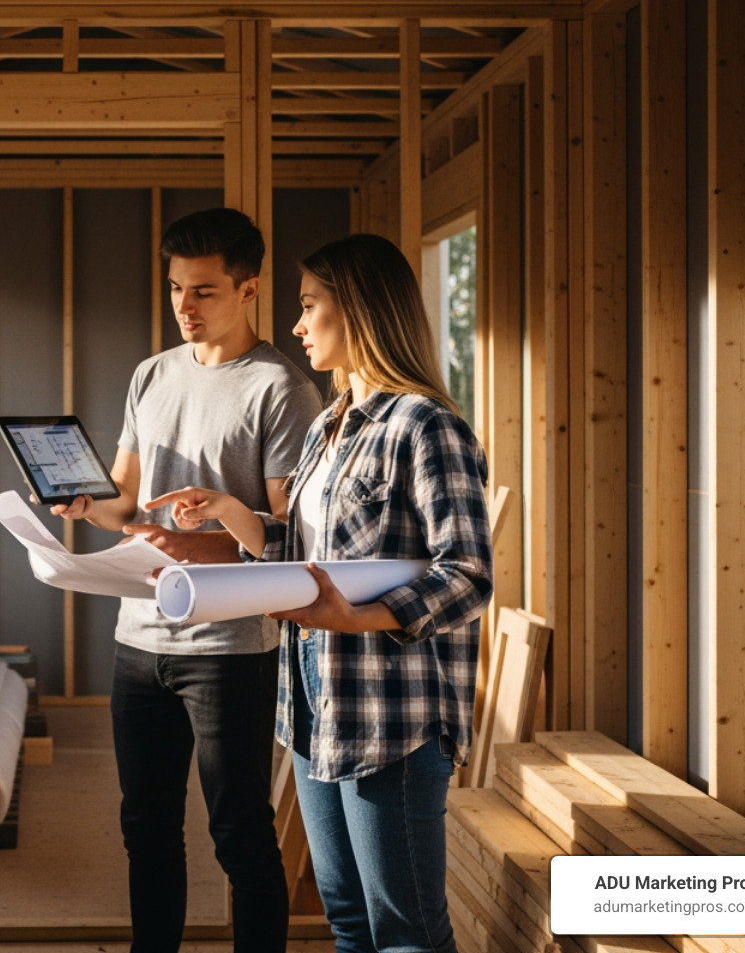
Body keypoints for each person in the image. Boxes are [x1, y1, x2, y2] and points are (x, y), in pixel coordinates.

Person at [147, 233, 494, 953]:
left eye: (310, 307)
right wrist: (227, 521)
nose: (297, 326)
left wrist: (358, 614)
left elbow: (466, 573)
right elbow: (307, 554)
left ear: (361, 314)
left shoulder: (426, 427)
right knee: (346, 920)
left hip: (390, 718)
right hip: (312, 707)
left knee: (405, 933)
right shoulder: (327, 428)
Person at [47, 207, 322, 953]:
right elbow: (125, 501)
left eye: (203, 291)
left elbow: (288, 542)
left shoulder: (280, 388)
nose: (184, 307)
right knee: (146, 826)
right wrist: (86, 507)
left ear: (249, 289)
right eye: (175, 289)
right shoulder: (152, 374)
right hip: (139, 637)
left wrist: (198, 540)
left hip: (230, 646)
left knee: (238, 833)